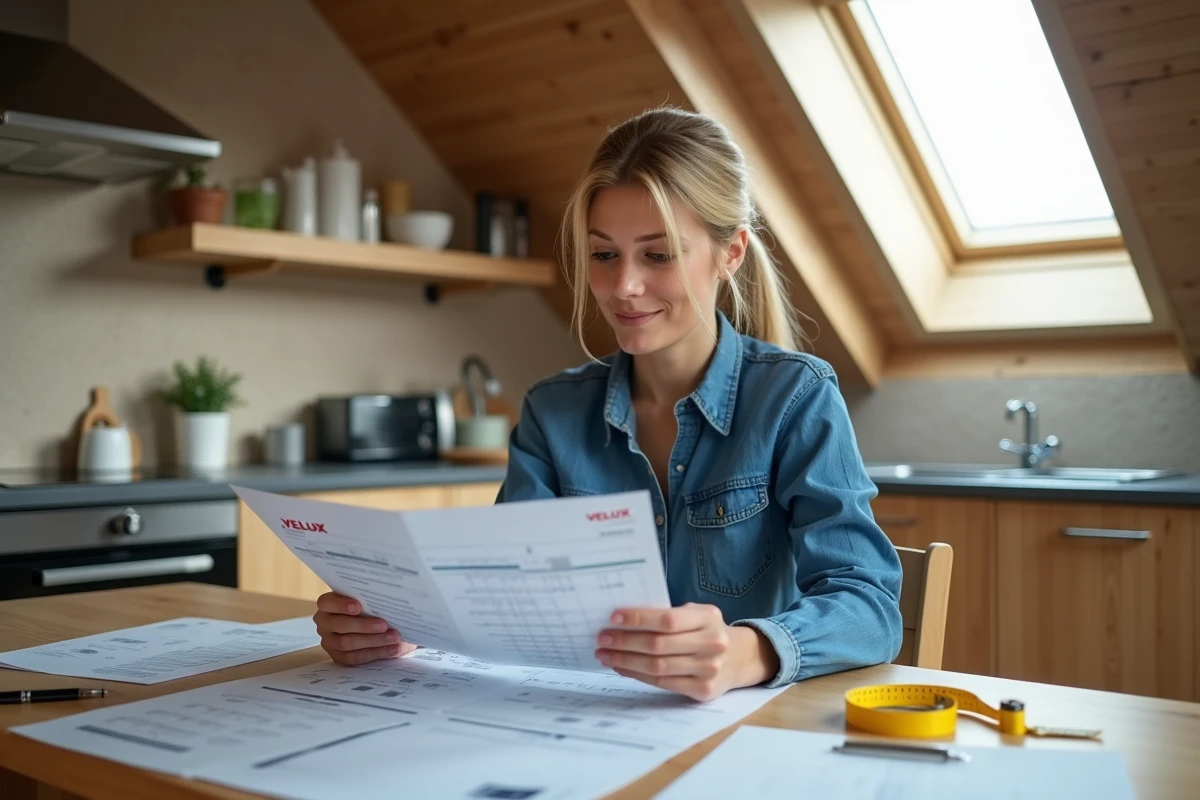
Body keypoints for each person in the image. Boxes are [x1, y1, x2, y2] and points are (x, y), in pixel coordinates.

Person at [313, 107, 903, 701]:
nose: (624, 287)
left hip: (746, 730)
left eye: (658, 254)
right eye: (603, 254)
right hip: (577, 723)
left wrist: (744, 651)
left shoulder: (797, 398)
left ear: (731, 254)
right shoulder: (551, 413)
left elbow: (870, 605)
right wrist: (401, 624)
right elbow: (502, 592)